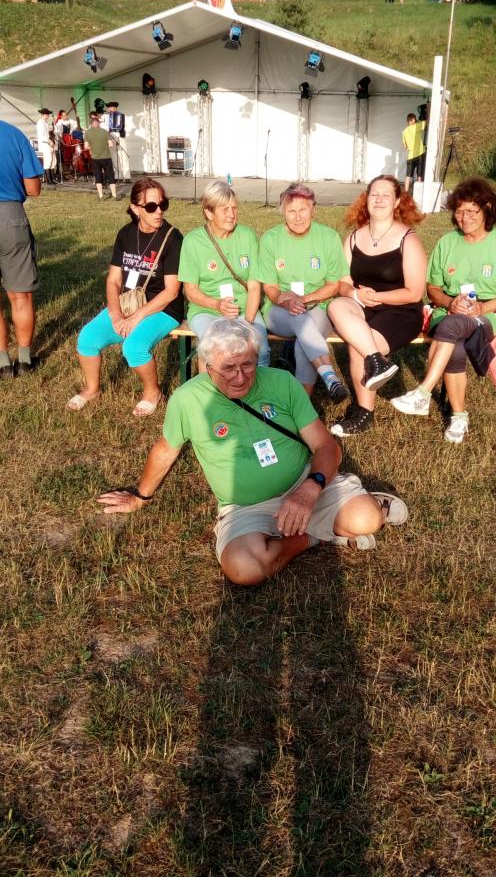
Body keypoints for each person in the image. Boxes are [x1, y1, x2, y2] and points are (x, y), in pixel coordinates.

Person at [97, 318, 409, 586]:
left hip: (304, 482)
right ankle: (310, 536)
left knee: (366, 519)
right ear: (207, 366)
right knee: (243, 569)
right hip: (246, 507)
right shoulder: (187, 399)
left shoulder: (282, 382)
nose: (240, 377)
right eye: (228, 368)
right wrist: (140, 497)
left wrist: (310, 488)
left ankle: (354, 508)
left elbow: (325, 445)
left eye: (247, 364)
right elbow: (166, 451)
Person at [390, 178, 496, 444]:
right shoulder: (447, 242)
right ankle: (459, 416)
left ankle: (423, 393)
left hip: (488, 312)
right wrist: (449, 302)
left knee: (451, 326)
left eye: (471, 211)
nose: (464, 218)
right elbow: (432, 288)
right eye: (459, 211)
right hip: (448, 308)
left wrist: (483, 307)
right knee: (454, 344)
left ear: (487, 209)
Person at [66, 178, 183, 416]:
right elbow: (113, 281)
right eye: (151, 206)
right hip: (129, 302)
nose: (159, 211)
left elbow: (171, 291)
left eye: (163, 204)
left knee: (134, 346)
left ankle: (153, 393)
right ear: (135, 208)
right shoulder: (126, 234)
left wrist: (135, 318)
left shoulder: (173, 238)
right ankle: (92, 389)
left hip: (164, 308)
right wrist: (115, 314)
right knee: (87, 338)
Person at [328, 176, 427, 436]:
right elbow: (342, 284)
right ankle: (378, 361)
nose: (379, 199)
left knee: (358, 345)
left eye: (386, 195)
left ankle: (364, 413)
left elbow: (414, 292)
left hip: (401, 310)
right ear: (366, 198)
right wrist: (356, 293)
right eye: (374, 194)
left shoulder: (408, 239)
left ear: (396, 202)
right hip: (362, 304)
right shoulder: (353, 238)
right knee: (336, 306)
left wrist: (379, 297)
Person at [259, 183, 350, 404]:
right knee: (298, 316)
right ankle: (329, 376)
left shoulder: (328, 237)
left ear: (313, 210)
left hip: (318, 306)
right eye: (291, 211)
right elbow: (270, 288)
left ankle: (301, 406)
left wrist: (304, 299)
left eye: (303, 210)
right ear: (283, 212)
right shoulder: (270, 239)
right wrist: (286, 301)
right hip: (279, 310)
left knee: (303, 344)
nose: (298, 217)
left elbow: (333, 285)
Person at [178, 180, 270, 368]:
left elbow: (254, 286)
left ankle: (258, 387)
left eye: (234, 208)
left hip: (245, 309)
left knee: (260, 349)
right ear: (209, 212)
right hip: (206, 310)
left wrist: (248, 324)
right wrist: (217, 304)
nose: (231, 215)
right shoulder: (193, 241)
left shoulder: (247, 236)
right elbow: (191, 291)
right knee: (213, 348)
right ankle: (211, 387)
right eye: (224, 209)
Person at [0, 119, 43, 379]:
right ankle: (25, 361)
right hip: (10, 216)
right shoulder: (14, 135)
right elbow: (33, 189)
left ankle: (3, 363)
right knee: (20, 296)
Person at [83, 112, 117, 200]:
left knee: (98, 177)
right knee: (110, 176)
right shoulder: (105, 132)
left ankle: (101, 196)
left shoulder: (87, 133)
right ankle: (114, 195)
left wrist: (92, 147)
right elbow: (111, 145)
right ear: (98, 123)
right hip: (106, 157)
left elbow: (86, 147)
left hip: (95, 158)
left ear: (91, 124)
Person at [106, 100, 131, 183]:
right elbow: (105, 127)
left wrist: (123, 133)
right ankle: (118, 175)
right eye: (109, 108)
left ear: (115, 108)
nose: (109, 109)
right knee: (114, 156)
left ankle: (126, 176)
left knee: (123, 156)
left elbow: (128, 127)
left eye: (110, 107)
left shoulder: (122, 115)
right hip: (111, 136)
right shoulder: (106, 117)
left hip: (120, 136)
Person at [402, 113, 427, 193]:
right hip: (420, 154)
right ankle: (418, 193)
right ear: (413, 120)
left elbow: (405, 146)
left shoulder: (404, 131)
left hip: (410, 156)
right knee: (419, 174)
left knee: (408, 175)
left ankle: (406, 193)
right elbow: (426, 123)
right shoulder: (417, 126)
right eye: (415, 120)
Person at [36, 108, 57, 186]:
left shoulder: (45, 123)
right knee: (48, 161)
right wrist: (49, 141)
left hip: (49, 144)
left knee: (53, 161)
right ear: (44, 115)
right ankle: (49, 180)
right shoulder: (40, 123)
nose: (48, 116)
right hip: (45, 145)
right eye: (47, 114)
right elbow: (42, 136)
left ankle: (52, 178)